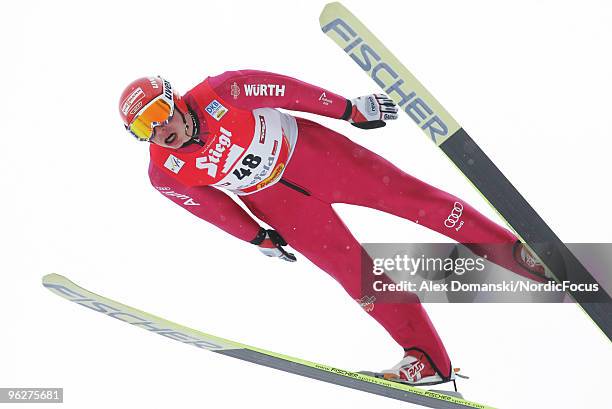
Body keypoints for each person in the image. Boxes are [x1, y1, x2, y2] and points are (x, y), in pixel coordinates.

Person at [118, 71, 545, 386]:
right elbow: (210, 207)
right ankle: (429, 360)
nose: (158, 130)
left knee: (416, 201)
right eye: (143, 128)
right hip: (279, 204)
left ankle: (521, 256)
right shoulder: (164, 173)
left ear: (173, 100)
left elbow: (288, 91)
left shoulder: (223, 90)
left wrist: (348, 109)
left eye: (158, 114)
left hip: (315, 155)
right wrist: (256, 236)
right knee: (357, 276)